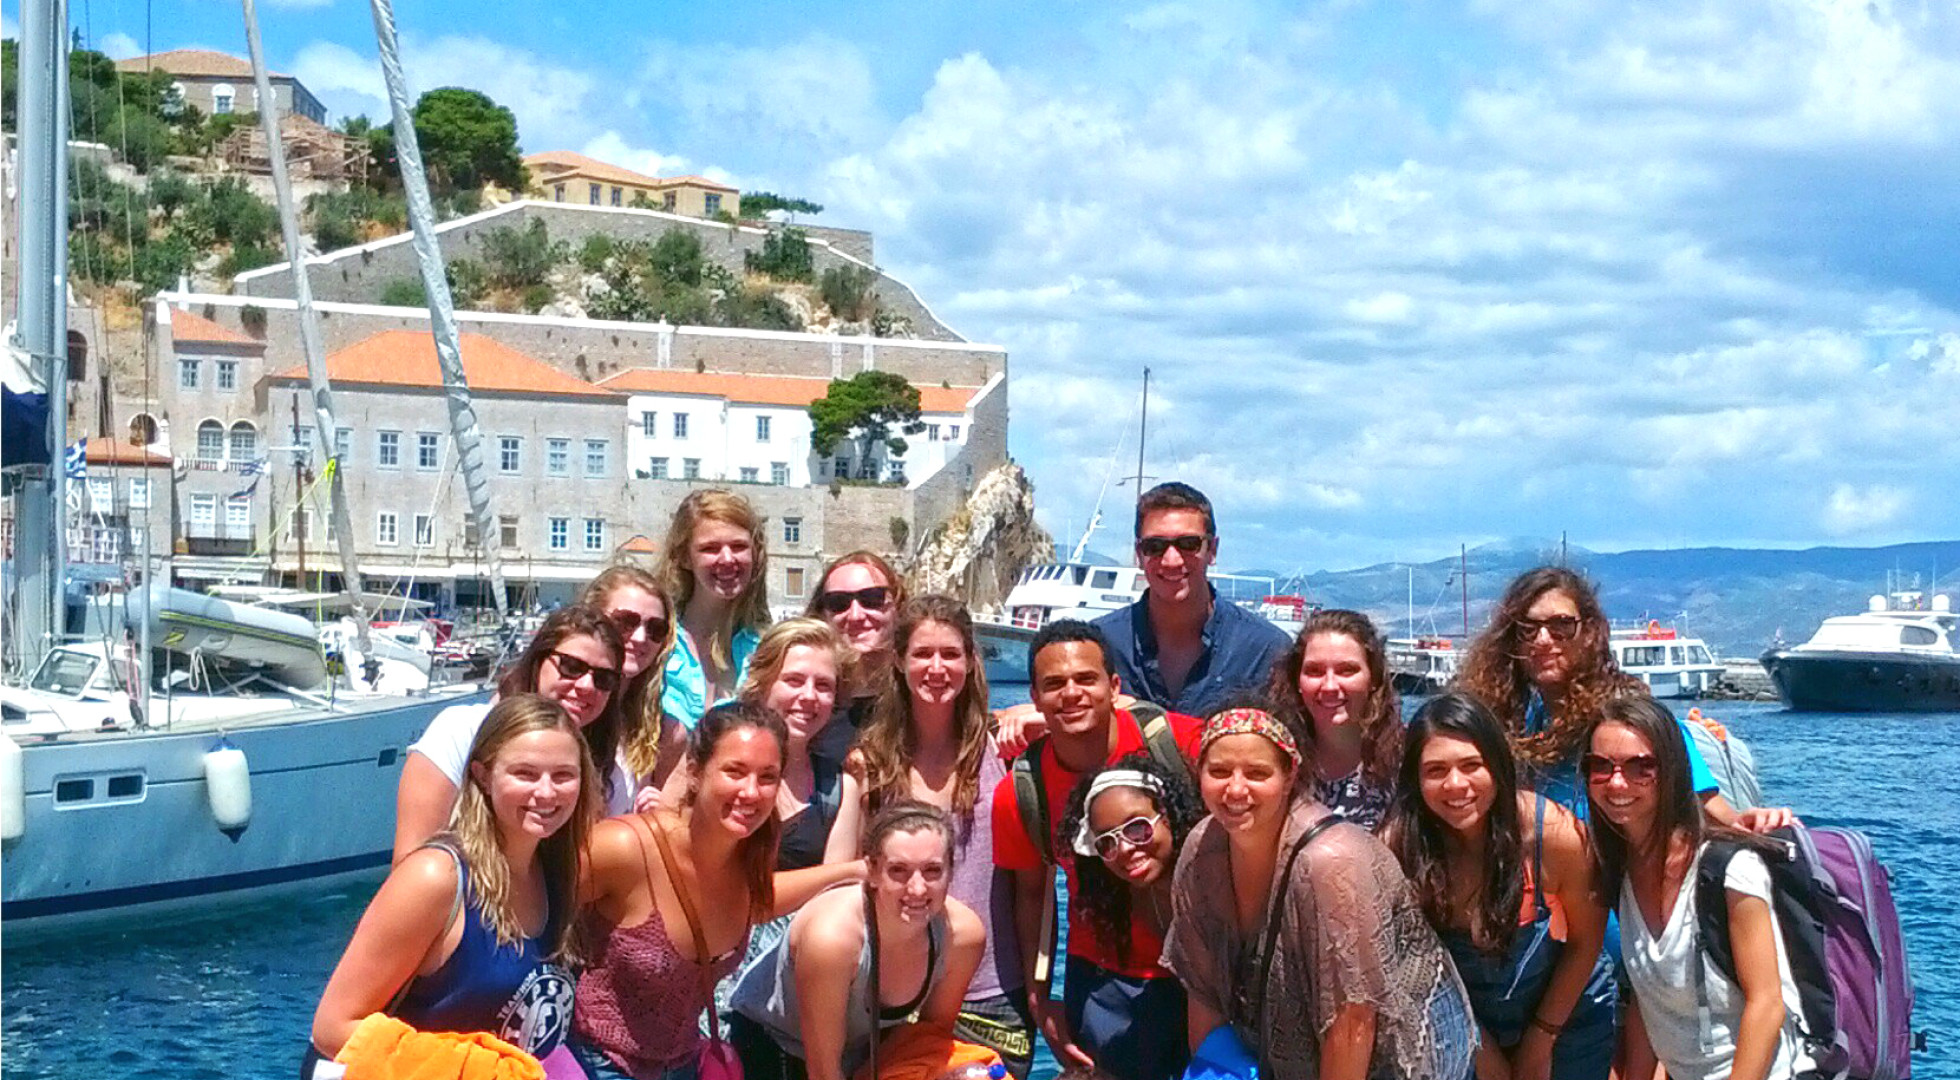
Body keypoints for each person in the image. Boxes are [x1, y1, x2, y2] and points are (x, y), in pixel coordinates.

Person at [1162, 708, 1477, 1080]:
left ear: (1289, 775)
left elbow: (1353, 1021)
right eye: (1218, 772)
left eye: (1257, 773)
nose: (1235, 790)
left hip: (1404, 1054)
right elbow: (1204, 991)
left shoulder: (1333, 862)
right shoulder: (1203, 850)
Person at [308, 694, 597, 1080]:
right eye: (525, 774)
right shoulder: (437, 879)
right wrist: (485, 1071)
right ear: (482, 775)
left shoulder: (558, 877)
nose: (546, 792)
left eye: (563, 775)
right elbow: (332, 1028)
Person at [573, 702, 858, 1080]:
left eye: (767, 777)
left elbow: (756, 902)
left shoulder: (750, 855)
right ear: (694, 771)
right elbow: (532, 910)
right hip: (597, 1063)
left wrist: (852, 871)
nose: (750, 791)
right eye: (735, 772)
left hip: (685, 1066)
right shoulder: (626, 847)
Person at [824, 596, 1032, 1077]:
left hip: (991, 995)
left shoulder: (1007, 754)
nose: (936, 668)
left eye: (951, 654)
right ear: (899, 661)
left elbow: (1031, 892)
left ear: (971, 661)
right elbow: (843, 880)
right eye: (922, 654)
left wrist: (1038, 990)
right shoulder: (869, 763)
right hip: (892, 994)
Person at [991, 620, 1202, 1080]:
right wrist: (1040, 996)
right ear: (1034, 697)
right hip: (1107, 986)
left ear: (1114, 686)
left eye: (1086, 679)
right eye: (1054, 684)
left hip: (1204, 973)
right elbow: (1031, 895)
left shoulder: (1178, 743)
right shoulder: (1021, 793)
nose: (1071, 694)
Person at [1381, 693, 1616, 1080]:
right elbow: (1413, 970)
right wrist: (1480, 1048)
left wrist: (1540, 1044)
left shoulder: (1554, 834)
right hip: (1461, 1016)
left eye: (1472, 765)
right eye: (1435, 770)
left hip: (1567, 1012)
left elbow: (1585, 944)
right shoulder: (1397, 850)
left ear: (1498, 766)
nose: (1456, 785)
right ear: (1415, 780)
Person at [1454, 568, 1792, 833]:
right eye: (1528, 627)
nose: (1543, 639)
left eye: (1561, 625)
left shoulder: (1634, 719)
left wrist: (1753, 824)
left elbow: (1710, 809)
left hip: (1621, 913)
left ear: (1589, 633)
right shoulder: (1521, 723)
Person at [1586, 697, 1812, 1080]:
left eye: (1642, 767)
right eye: (1601, 767)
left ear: (1673, 770)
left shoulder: (1729, 870)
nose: (1617, 782)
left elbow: (1767, 1004)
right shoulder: (1622, 871)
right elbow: (1648, 1000)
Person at [731, 800, 987, 1080]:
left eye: (932, 871)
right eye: (898, 870)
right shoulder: (833, 939)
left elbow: (927, 1042)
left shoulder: (962, 936)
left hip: (866, 1046)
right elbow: (823, 1071)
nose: (917, 888)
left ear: (951, 870)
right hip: (777, 1044)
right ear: (872, 871)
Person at [396, 605, 628, 862]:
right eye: (572, 666)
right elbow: (410, 862)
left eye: (604, 679)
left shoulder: (607, 774)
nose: (586, 686)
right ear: (539, 661)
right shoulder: (460, 731)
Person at [1093, 482, 1290, 719]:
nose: (1171, 560)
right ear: (1139, 554)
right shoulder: (1099, 644)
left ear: (1213, 550)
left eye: (1188, 544)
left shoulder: (1265, 651)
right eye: (1154, 546)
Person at [1055, 752, 1205, 1061]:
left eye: (1137, 829)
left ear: (1166, 814)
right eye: (1106, 843)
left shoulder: (1212, 877)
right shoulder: (1126, 896)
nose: (1124, 849)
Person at [1264, 609, 1404, 829]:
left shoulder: (1407, 764)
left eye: (1346, 670)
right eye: (1314, 671)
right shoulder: (1274, 764)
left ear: (1373, 678)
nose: (1329, 686)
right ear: (1297, 680)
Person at [660, 490, 771, 730]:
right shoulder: (655, 643)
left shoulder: (767, 650)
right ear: (684, 557)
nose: (728, 558)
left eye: (739, 546)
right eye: (710, 548)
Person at [580, 565, 686, 794]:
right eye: (625, 621)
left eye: (656, 628)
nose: (640, 638)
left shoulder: (665, 732)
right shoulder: (554, 703)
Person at [804, 550, 906, 765]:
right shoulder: (806, 701)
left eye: (872, 599)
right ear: (823, 614)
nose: (856, 615)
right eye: (838, 603)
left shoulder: (920, 697)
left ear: (897, 606)